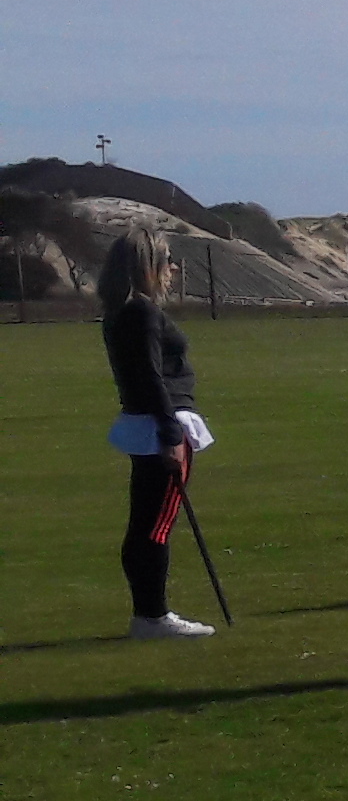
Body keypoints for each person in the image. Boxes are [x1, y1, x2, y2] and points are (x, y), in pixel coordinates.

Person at [98, 225, 214, 642]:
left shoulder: (122, 312)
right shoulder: (141, 312)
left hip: (150, 423)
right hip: (161, 424)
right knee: (155, 525)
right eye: (167, 262)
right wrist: (169, 431)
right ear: (148, 267)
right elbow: (149, 375)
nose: (173, 269)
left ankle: (147, 613)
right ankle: (152, 615)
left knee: (147, 521)